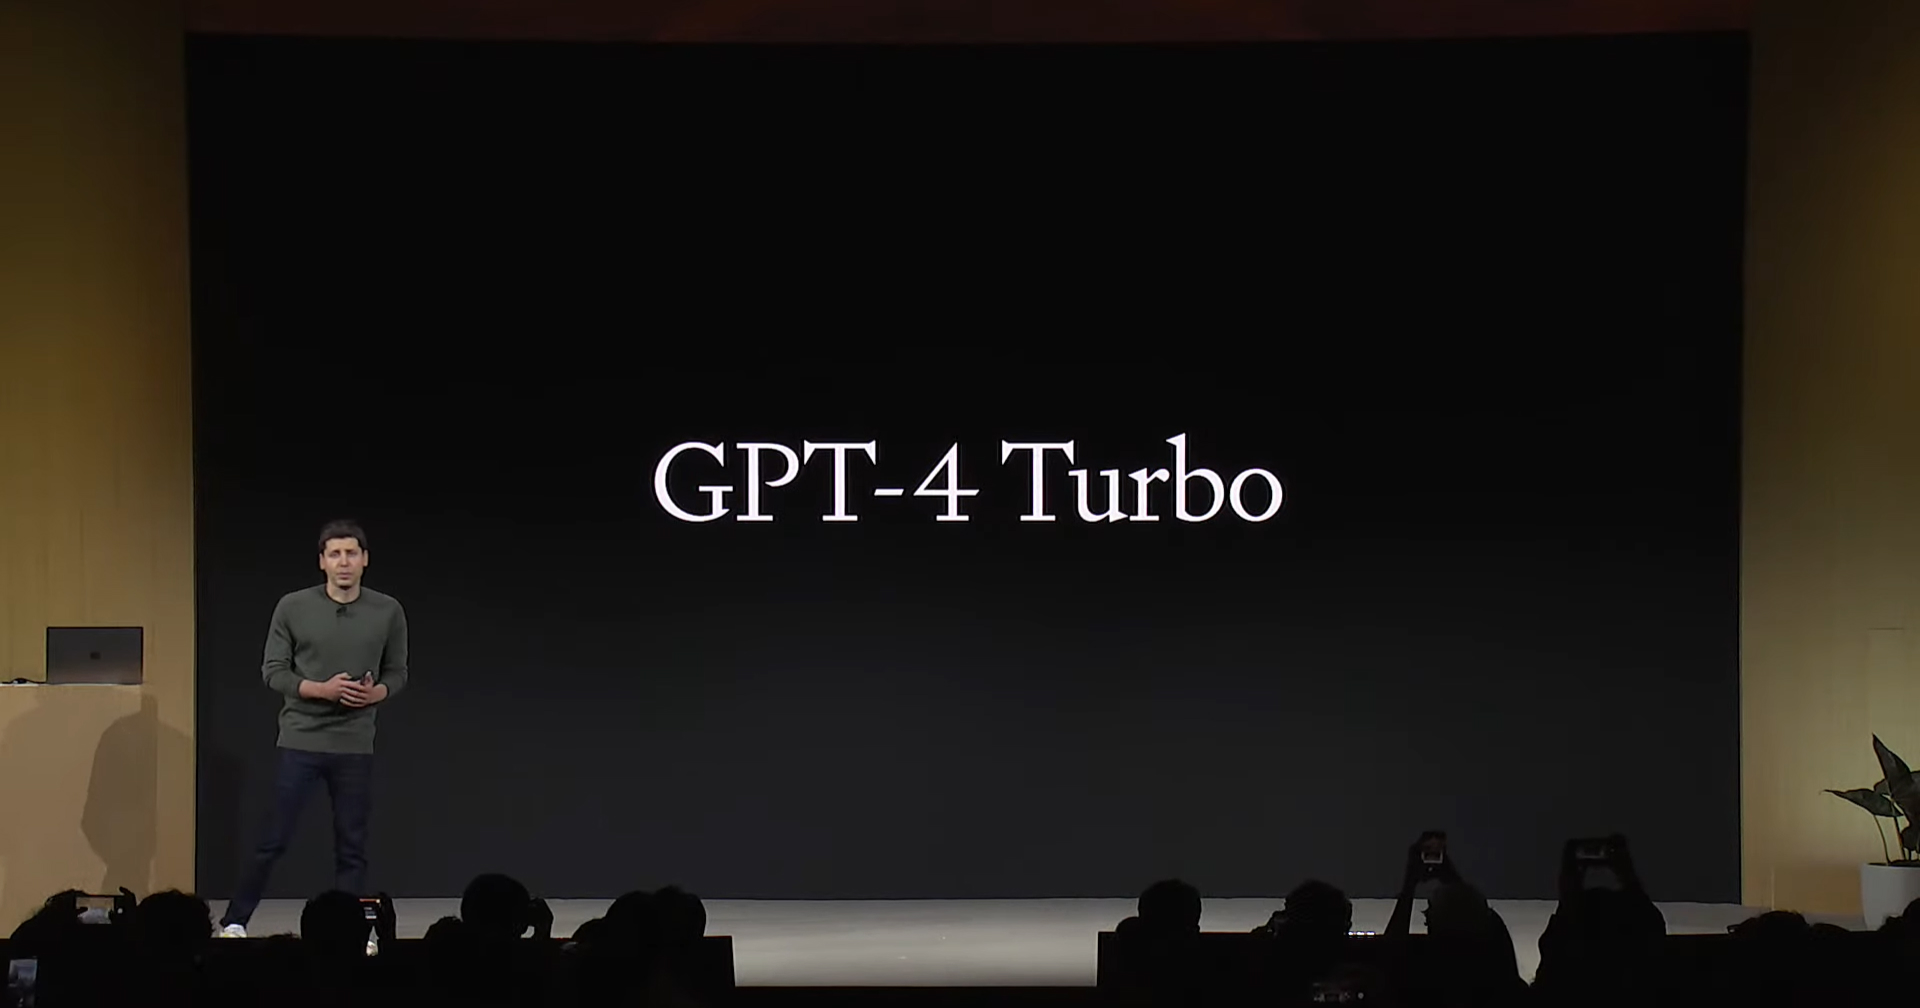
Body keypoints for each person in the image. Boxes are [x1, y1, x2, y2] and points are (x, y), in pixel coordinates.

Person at [218, 520, 409, 937]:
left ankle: (351, 933)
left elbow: (397, 671)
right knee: (272, 840)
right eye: (335, 554)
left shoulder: (388, 610)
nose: (344, 562)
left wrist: (376, 693)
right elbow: (274, 670)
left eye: (351, 553)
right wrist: (321, 689)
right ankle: (234, 921)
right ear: (322, 561)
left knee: (352, 847)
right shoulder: (293, 607)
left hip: (355, 743)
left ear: (365, 560)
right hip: (301, 740)